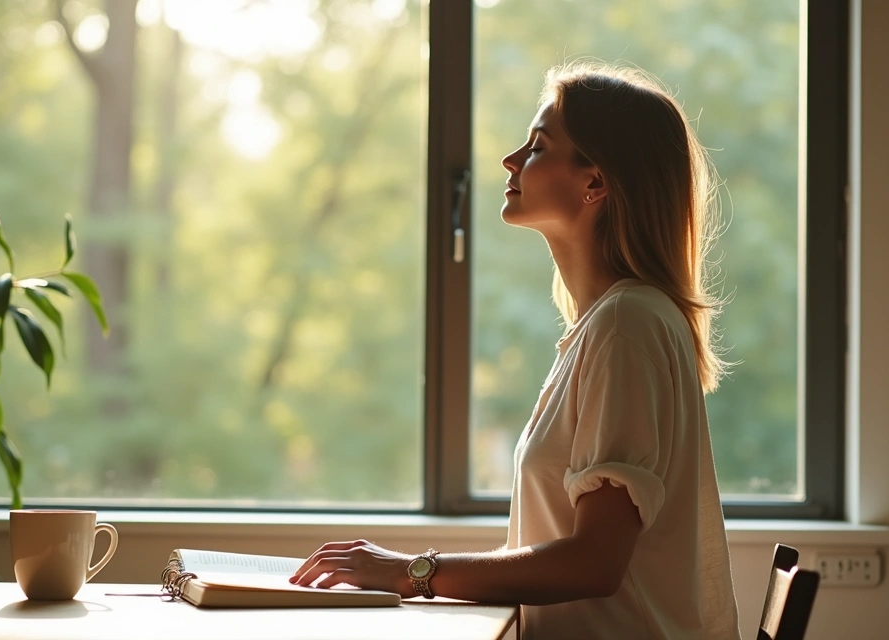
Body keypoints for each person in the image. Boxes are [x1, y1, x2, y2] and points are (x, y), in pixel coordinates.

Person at [290, 62, 740, 640]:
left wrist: (411, 572)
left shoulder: (627, 325)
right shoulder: (606, 324)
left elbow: (594, 563)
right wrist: (408, 575)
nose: (510, 160)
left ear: (595, 183)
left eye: (537, 145)